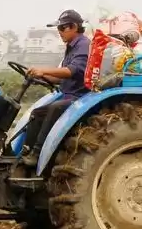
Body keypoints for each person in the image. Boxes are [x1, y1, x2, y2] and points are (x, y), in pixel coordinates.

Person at [21, 9, 91, 167]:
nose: (59, 32)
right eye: (58, 28)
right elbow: (61, 77)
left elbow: (72, 71)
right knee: (37, 113)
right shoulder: (72, 46)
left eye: (62, 28)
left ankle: (37, 154)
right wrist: (39, 76)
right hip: (69, 94)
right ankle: (25, 152)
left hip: (78, 97)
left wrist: (43, 70)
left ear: (73, 27)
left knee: (54, 108)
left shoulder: (83, 45)